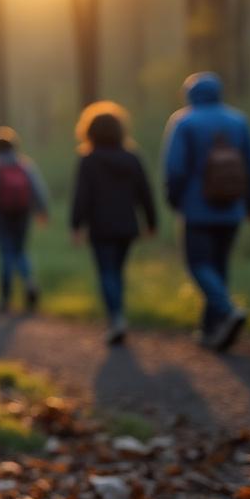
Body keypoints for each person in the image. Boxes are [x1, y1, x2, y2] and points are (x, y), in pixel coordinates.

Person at [162, 72, 250, 352]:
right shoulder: (238, 120)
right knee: (218, 266)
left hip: (197, 209)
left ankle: (227, 311)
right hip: (232, 208)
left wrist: (174, 199)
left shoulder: (184, 121)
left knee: (198, 265)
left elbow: (175, 168)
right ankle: (211, 329)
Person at [69, 102, 157, 345]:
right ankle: (118, 316)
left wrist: (76, 226)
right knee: (117, 271)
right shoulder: (132, 157)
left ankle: (116, 318)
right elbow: (145, 192)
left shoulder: (88, 159)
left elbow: (81, 196)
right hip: (127, 226)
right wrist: (151, 222)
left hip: (100, 227)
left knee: (107, 272)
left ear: (89, 131)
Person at [0, 127, 49, 314]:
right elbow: (38, 189)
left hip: (1, 217)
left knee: (6, 254)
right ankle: (30, 283)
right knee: (21, 251)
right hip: (22, 214)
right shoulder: (25, 165)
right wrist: (42, 210)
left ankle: (5, 298)